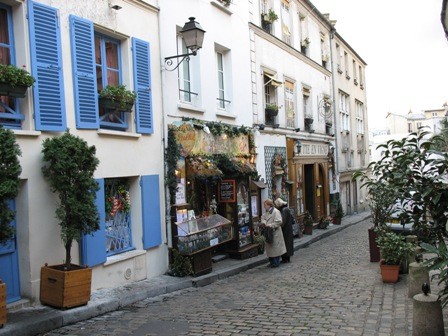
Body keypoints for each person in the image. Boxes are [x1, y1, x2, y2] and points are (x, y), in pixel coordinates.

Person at [260, 199, 286, 268]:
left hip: (275, 233)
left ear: (269, 205)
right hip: (268, 233)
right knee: (270, 249)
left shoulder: (276, 212)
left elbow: (279, 222)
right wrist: (264, 223)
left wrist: (270, 225)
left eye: (265, 205)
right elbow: (263, 217)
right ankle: (272, 262)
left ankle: (275, 263)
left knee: (275, 249)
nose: (264, 206)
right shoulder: (267, 212)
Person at [274, 198, 294, 263]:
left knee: (285, 244)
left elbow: (283, 221)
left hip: (285, 230)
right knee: (287, 243)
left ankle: (285, 258)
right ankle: (286, 258)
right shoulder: (286, 209)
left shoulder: (284, 210)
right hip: (288, 229)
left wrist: (278, 226)